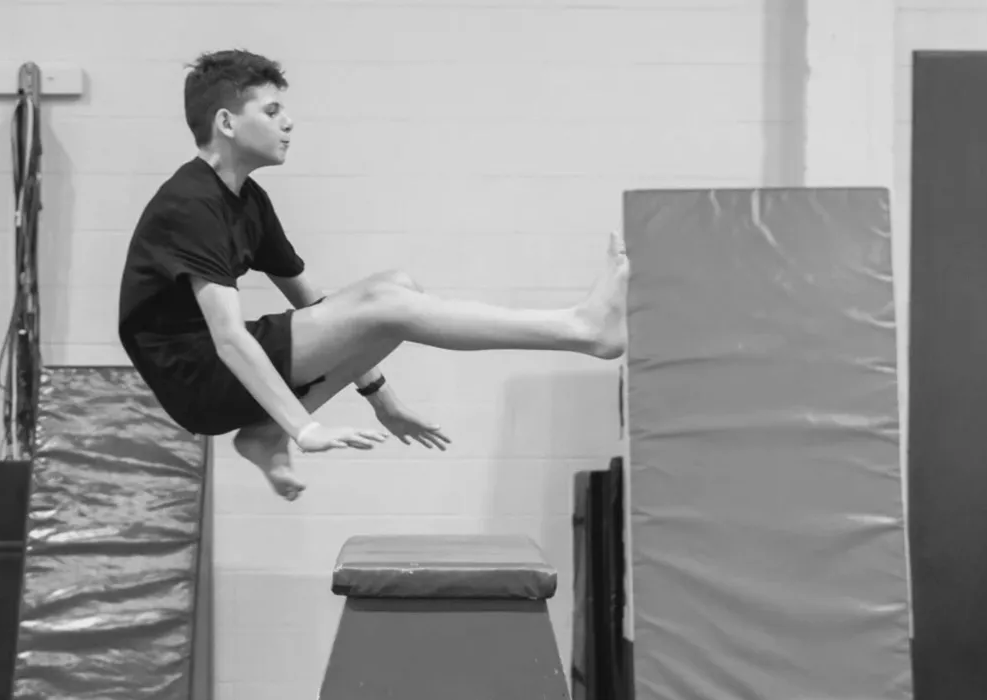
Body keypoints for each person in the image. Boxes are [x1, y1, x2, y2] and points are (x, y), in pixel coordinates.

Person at [118, 49, 628, 502]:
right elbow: (228, 339)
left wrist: (382, 400)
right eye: (272, 111)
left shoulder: (249, 201)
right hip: (195, 377)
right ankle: (579, 329)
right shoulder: (191, 204)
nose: (289, 123)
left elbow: (315, 305)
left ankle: (261, 437)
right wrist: (303, 427)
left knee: (396, 289)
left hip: (215, 367)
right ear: (227, 123)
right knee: (385, 306)